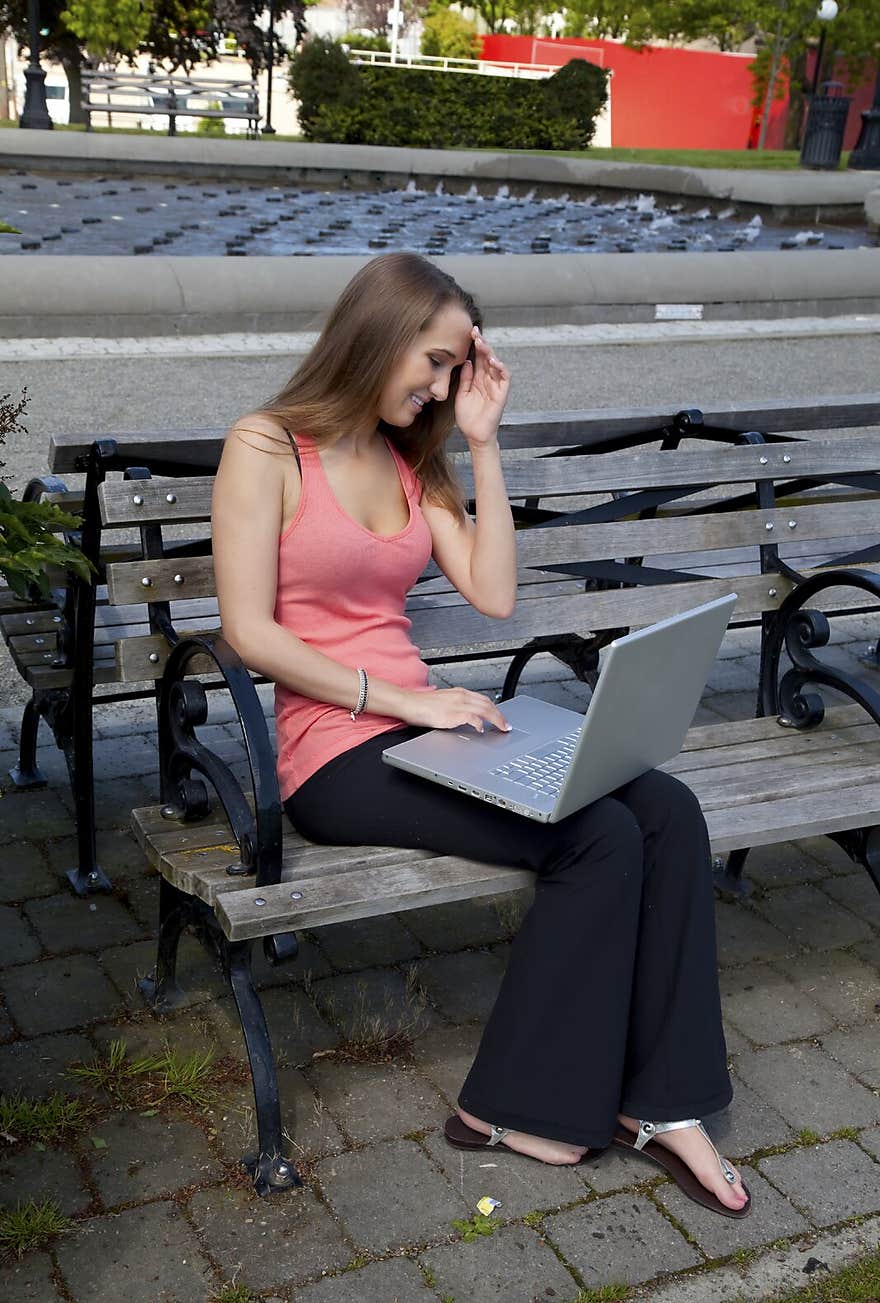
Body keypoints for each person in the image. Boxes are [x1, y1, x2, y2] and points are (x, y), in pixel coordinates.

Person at [212, 252, 751, 1220]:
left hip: (425, 727)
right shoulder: (264, 447)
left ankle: (664, 1102)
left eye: (454, 370)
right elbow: (251, 634)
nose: (435, 387)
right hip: (331, 753)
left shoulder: (412, 460)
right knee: (597, 835)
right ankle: (505, 1107)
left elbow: (494, 594)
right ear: (374, 333)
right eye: (431, 361)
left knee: (664, 807)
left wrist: (484, 443)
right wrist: (405, 700)